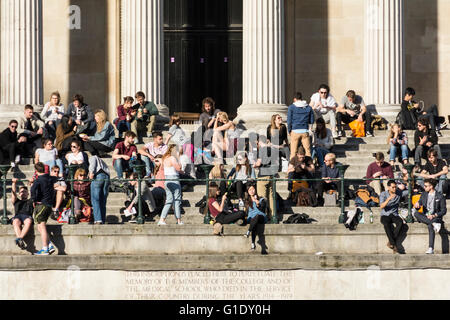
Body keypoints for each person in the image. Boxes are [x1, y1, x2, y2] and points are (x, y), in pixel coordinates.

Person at [414, 179, 447, 254]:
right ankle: (433, 223)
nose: (424, 187)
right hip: (426, 216)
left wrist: (434, 215)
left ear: (431, 186)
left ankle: (431, 248)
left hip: (435, 217)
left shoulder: (440, 196)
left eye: (425, 186)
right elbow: (419, 204)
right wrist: (417, 205)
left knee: (430, 226)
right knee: (416, 213)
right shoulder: (424, 194)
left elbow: (444, 210)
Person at [31, 162, 56, 255]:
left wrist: (33, 200)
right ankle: (49, 245)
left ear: (36, 171)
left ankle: (45, 248)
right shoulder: (49, 178)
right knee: (39, 226)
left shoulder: (38, 180)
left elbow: (33, 190)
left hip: (42, 204)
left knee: (42, 226)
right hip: (49, 205)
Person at [254, 135, 279, 220]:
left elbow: (258, 163)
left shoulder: (262, 149)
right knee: (271, 197)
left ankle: (263, 216)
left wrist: (254, 164)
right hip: (271, 175)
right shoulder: (273, 149)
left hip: (263, 176)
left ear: (258, 141)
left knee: (262, 197)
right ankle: (272, 216)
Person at [158, 145, 183, 225]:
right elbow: (178, 168)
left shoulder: (165, 159)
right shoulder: (173, 158)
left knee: (168, 200)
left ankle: (162, 219)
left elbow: (162, 168)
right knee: (177, 200)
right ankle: (178, 220)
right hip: (174, 179)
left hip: (167, 180)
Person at [379, 180, 405, 254]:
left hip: (394, 214)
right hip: (385, 214)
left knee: (400, 223)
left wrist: (404, 186)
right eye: (392, 187)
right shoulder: (383, 194)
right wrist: (388, 199)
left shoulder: (398, 193)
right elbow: (381, 206)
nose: (394, 189)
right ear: (388, 187)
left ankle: (390, 242)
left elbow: (407, 191)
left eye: (395, 187)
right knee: (386, 224)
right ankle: (393, 244)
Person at [286, 92, 315, 159]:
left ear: (294, 99)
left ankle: (292, 167)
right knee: (308, 151)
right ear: (301, 98)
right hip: (305, 131)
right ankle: (309, 166)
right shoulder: (308, 107)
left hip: (295, 130)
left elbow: (289, 121)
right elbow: (312, 120)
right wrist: (309, 128)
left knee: (293, 152)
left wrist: (289, 130)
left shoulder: (291, 107)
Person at [244, 184, 268, 253]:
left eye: (253, 189)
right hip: (251, 218)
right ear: (248, 191)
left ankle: (249, 233)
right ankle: (253, 244)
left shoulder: (260, 199)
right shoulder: (246, 200)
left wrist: (258, 204)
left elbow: (263, 209)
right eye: (250, 190)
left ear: (255, 190)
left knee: (257, 216)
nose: (252, 191)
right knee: (254, 221)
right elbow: (246, 211)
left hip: (261, 217)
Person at [11, 178, 34, 250]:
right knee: (15, 221)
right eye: (21, 192)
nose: (23, 193)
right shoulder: (16, 201)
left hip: (27, 216)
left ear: (28, 193)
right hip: (18, 216)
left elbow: (34, 193)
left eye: (25, 191)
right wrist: (14, 183)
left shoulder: (30, 201)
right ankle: (20, 240)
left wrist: (32, 183)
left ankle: (19, 238)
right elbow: (13, 192)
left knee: (28, 221)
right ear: (19, 194)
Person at [89, 155, 110, 224]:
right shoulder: (102, 161)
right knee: (103, 200)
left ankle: (98, 219)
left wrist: (91, 172)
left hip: (98, 176)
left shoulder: (93, 157)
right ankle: (102, 219)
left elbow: (93, 162)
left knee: (95, 199)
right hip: (106, 177)